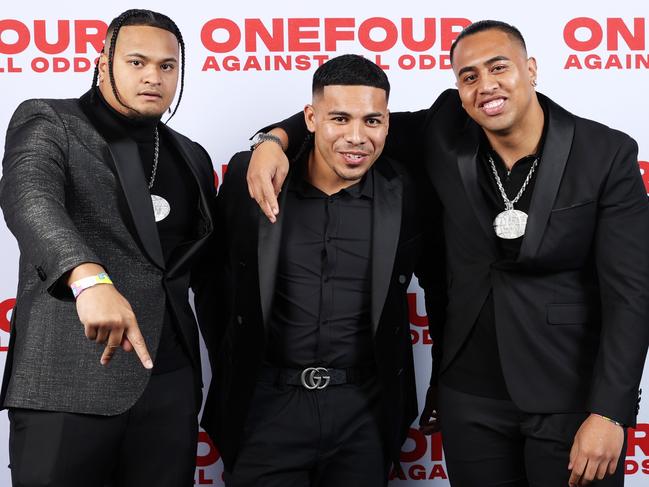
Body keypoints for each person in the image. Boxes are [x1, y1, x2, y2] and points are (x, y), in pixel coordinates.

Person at [245, 20, 649, 487]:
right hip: (469, 400)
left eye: (499, 68)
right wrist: (274, 141)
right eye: (469, 76)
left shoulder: (605, 153)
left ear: (531, 69)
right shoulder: (444, 128)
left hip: (569, 395)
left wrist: (611, 412)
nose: (486, 86)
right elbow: (352, 115)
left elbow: (632, 293)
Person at [0, 9, 217, 487]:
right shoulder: (49, 120)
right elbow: (30, 199)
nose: (153, 77)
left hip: (169, 384)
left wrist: (272, 141)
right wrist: (88, 278)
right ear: (103, 63)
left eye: (167, 66)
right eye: (137, 62)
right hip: (68, 382)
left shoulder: (192, 155)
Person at [201, 54, 438, 487]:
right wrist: (269, 142)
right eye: (339, 118)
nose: (356, 137)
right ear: (310, 118)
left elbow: (443, 284)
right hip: (266, 406)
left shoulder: (405, 189)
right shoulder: (248, 177)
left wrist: (273, 137)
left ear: (388, 124)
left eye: (372, 121)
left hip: (363, 412)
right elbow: (213, 283)